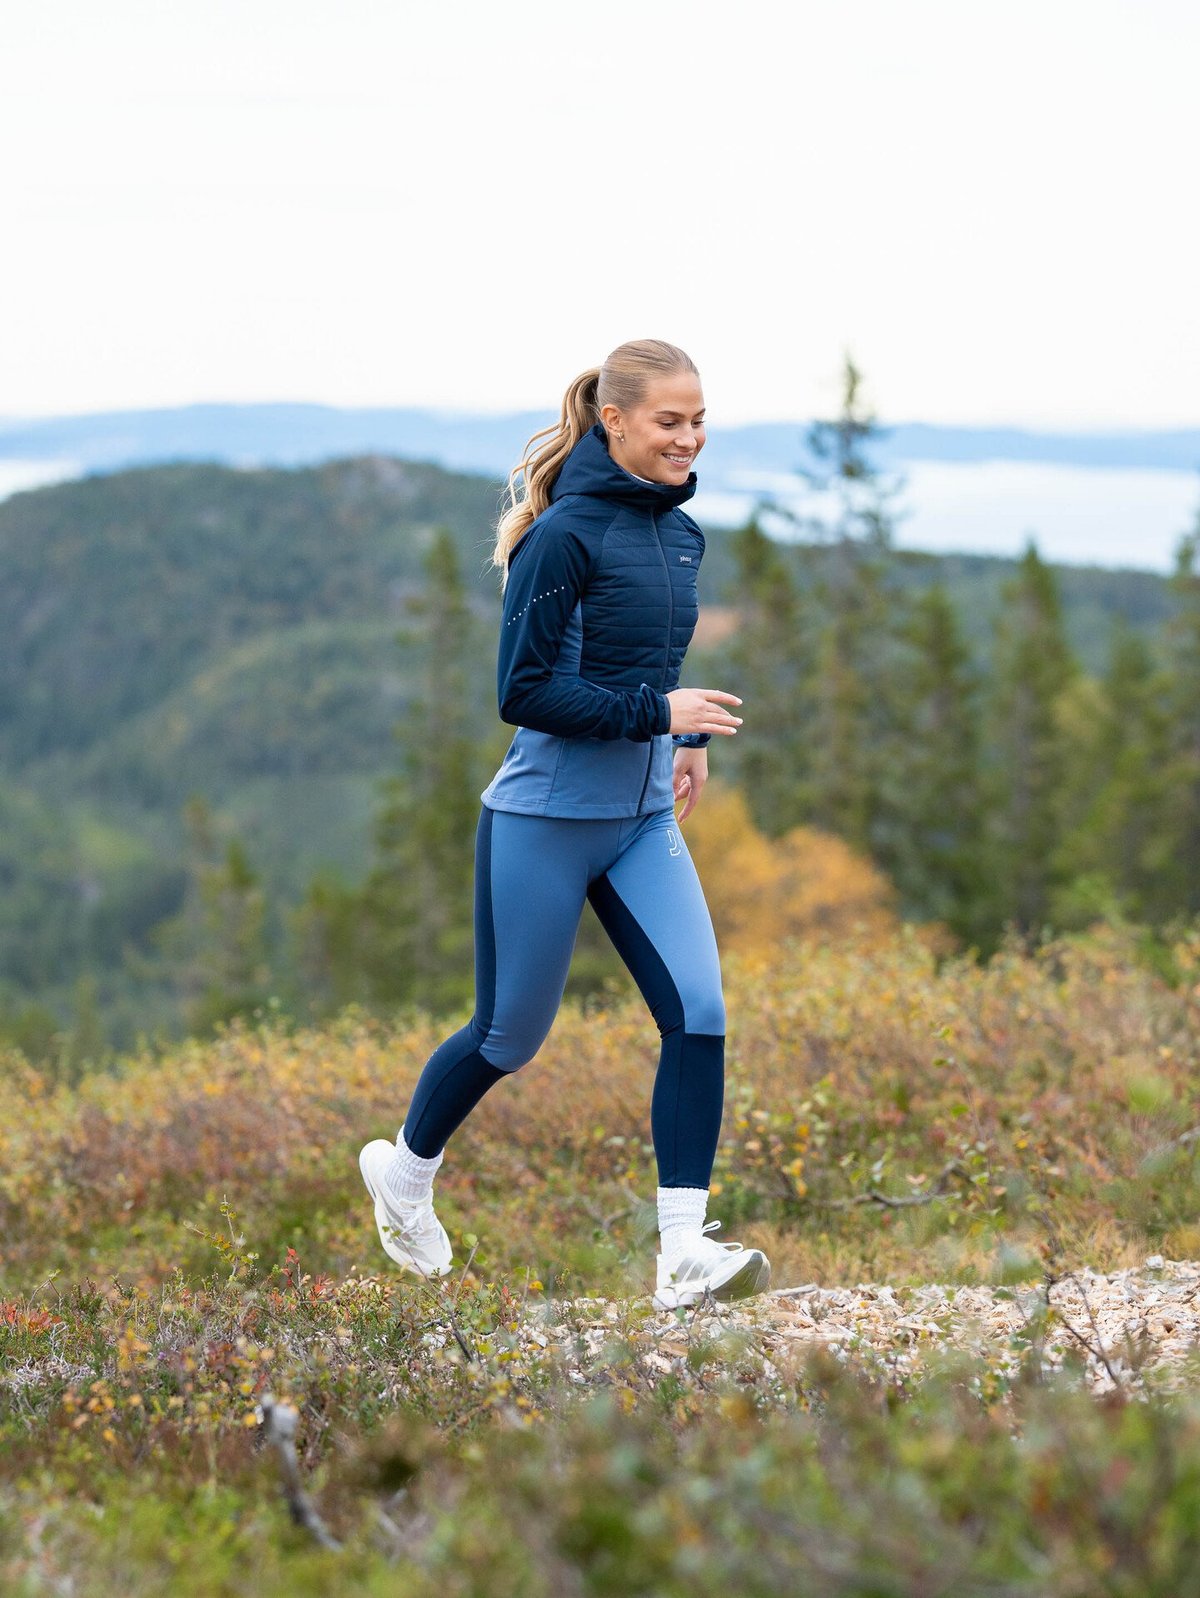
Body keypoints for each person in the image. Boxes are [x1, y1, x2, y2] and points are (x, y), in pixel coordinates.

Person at [359, 338, 771, 1310]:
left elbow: (648, 664)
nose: (690, 437)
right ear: (615, 421)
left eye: (699, 418)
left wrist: (684, 741)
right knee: (509, 1034)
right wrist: (657, 716)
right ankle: (406, 1173)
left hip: (638, 822)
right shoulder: (563, 537)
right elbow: (527, 690)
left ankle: (683, 1255)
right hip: (542, 819)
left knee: (700, 1012)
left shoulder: (681, 536)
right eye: (670, 421)